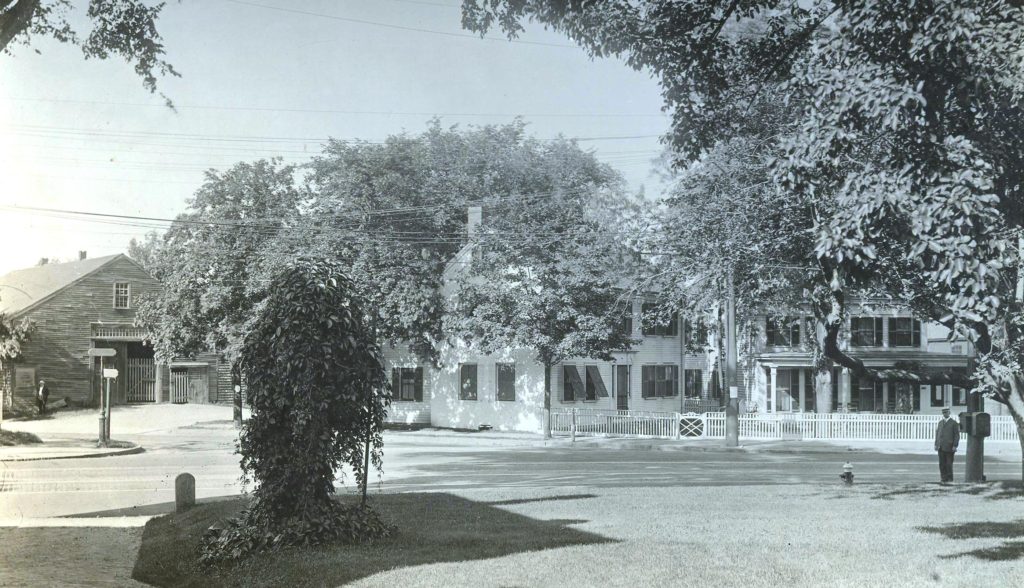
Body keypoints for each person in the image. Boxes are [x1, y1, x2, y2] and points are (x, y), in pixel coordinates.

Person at [934, 407, 960, 483]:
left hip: (949, 447)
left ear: (949, 413)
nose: (945, 414)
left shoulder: (954, 423)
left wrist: (955, 445)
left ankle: (949, 479)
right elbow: (937, 434)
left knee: (949, 464)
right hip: (940, 446)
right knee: (941, 464)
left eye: (946, 412)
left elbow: (956, 435)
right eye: (944, 412)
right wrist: (936, 444)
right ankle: (943, 478)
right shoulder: (940, 423)